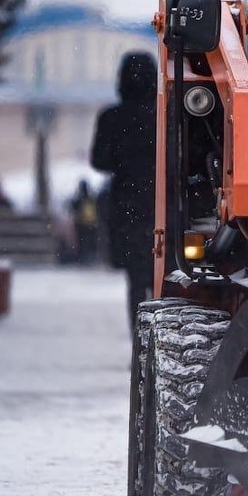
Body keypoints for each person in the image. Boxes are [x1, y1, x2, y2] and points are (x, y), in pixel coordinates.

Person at [91, 52, 157, 332]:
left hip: (127, 203)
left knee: (135, 281)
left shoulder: (111, 117)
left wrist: (124, 157)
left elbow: (99, 161)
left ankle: (139, 340)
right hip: (160, 201)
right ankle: (159, 335)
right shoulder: (165, 113)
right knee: (162, 275)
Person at [69, 179, 100, 265]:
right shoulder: (91, 198)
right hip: (91, 224)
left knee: (84, 242)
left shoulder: (80, 199)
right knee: (90, 242)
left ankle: (85, 257)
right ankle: (89, 257)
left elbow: (72, 207)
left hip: (82, 224)